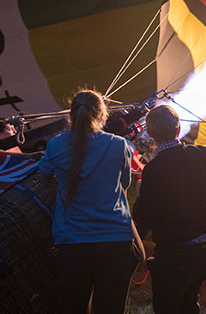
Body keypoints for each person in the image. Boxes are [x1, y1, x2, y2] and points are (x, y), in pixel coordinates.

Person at [132, 105, 206, 314]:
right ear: (178, 129)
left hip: (172, 255)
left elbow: (145, 215)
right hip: (198, 251)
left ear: (151, 134)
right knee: (190, 305)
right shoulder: (197, 155)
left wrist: (139, 193)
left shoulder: (154, 170)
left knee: (167, 308)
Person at [38, 90, 136, 314]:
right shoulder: (118, 145)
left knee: (74, 307)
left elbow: (42, 172)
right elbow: (126, 184)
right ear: (103, 114)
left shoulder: (56, 146)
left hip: (72, 241)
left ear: (70, 116)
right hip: (115, 240)